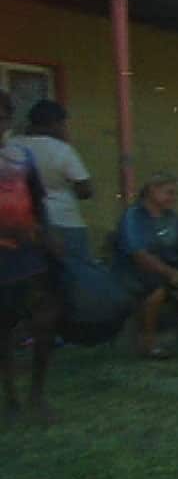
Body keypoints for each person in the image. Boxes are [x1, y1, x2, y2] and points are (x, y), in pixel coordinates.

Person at [0, 89, 60, 424]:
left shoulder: (21, 157)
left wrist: (48, 234)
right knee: (3, 330)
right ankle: (10, 397)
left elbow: (37, 201)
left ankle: (37, 394)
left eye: (3, 115)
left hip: (27, 255)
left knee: (44, 319)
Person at [112, 172, 178, 358]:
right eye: (169, 192)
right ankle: (148, 344)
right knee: (156, 290)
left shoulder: (173, 217)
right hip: (138, 270)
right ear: (152, 191)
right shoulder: (134, 217)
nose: (174, 198)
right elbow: (140, 255)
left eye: (176, 194)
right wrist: (172, 274)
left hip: (173, 268)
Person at [11, 100, 94, 260]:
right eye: (63, 124)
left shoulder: (12, 145)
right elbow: (85, 190)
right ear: (55, 124)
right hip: (64, 221)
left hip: (23, 222)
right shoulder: (62, 150)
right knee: (76, 272)